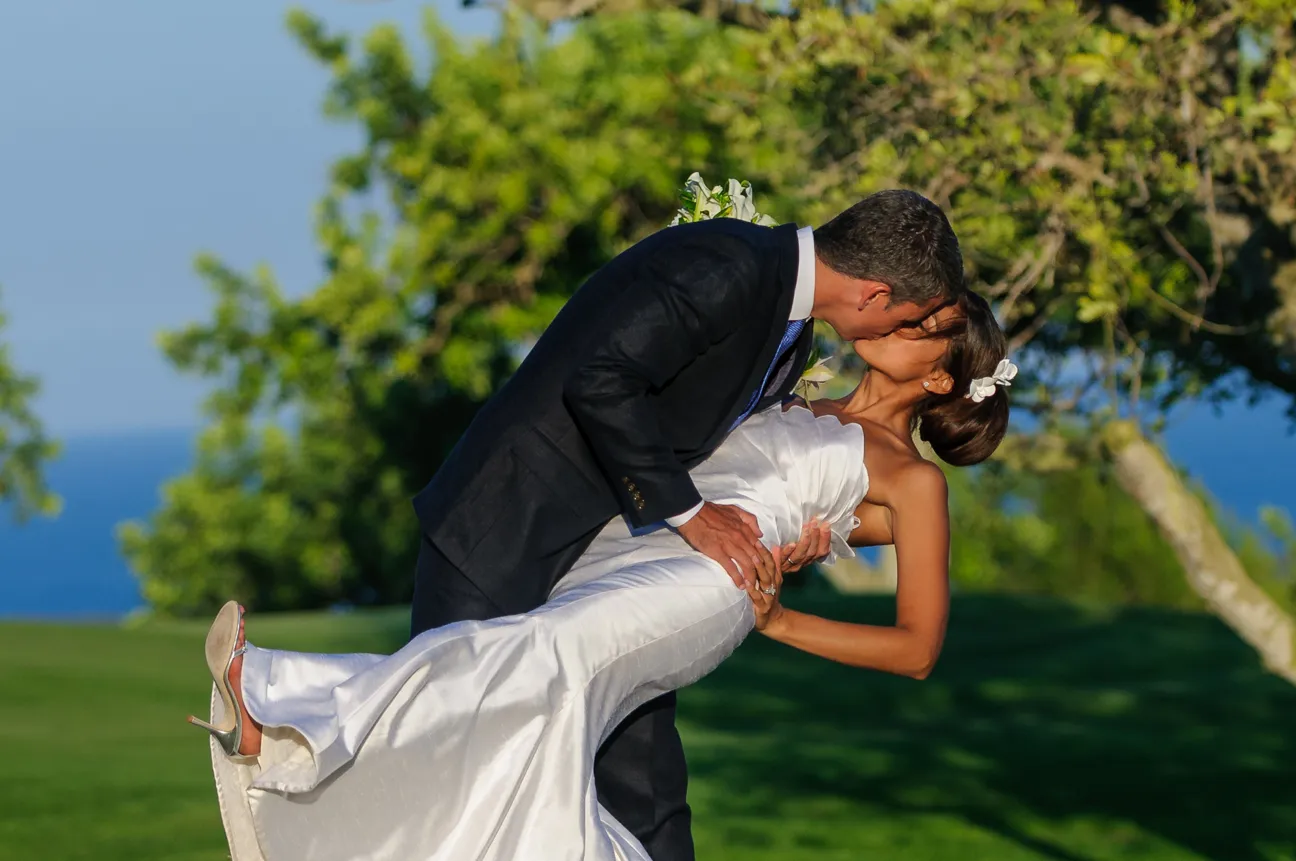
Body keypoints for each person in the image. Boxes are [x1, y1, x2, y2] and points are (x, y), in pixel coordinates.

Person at [191, 289, 1013, 861]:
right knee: (512, 658)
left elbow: (917, 647)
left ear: (939, 377)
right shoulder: (794, 385)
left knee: (551, 651)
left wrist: (779, 620)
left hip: (716, 578)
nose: (903, 314)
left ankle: (278, 714)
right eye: (908, 305)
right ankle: (294, 743)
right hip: (638, 539)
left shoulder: (913, 480)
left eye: (925, 322)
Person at [404, 189, 964, 861]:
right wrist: (696, 518)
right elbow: (601, 381)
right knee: (449, 751)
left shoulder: (791, 333)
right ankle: (272, 722)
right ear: (876, 295)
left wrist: (801, 539)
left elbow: (718, 453)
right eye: (916, 315)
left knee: (650, 806)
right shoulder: (728, 265)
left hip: (623, 567)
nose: (906, 328)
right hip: (507, 527)